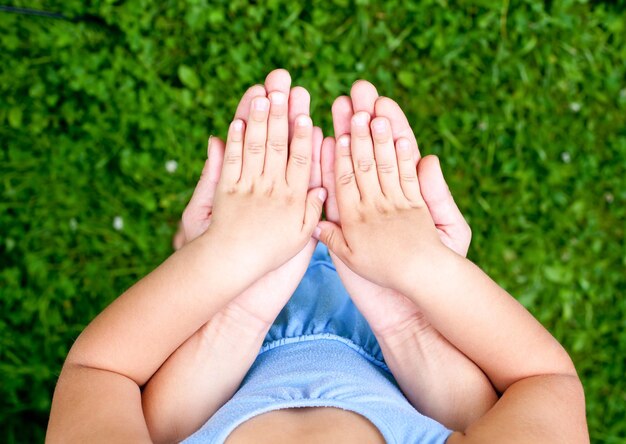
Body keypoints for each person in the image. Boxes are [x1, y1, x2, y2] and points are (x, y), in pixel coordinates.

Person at [47, 69, 588, 443]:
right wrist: (422, 283)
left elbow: (101, 373)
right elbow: (542, 385)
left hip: (219, 343)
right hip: (405, 340)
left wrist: (222, 271)